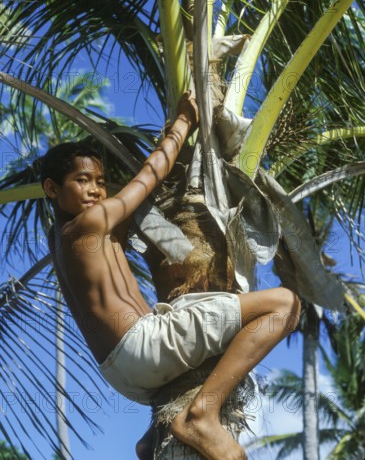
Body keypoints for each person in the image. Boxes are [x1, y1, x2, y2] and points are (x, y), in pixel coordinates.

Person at [41, 91, 301, 460]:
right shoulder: (93, 222)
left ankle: (151, 443)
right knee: (285, 305)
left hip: (123, 375)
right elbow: (148, 179)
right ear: (52, 188)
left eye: (99, 181)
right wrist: (185, 121)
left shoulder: (63, 239)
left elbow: (146, 210)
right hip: (143, 347)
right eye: (83, 181)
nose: (96, 190)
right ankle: (203, 413)